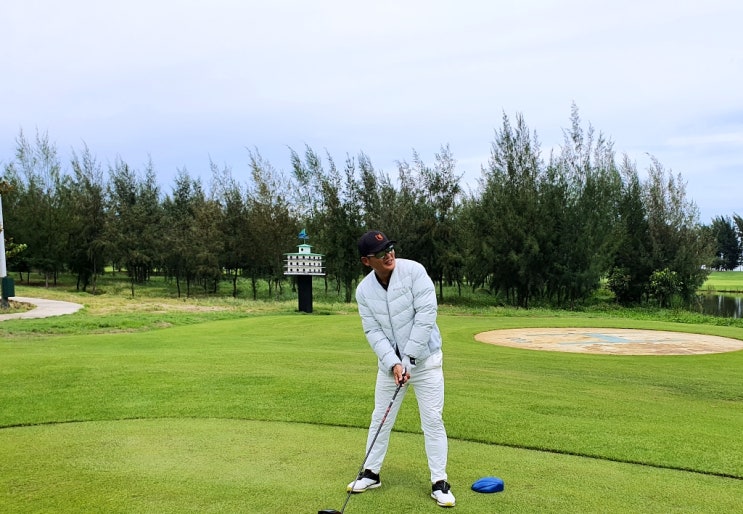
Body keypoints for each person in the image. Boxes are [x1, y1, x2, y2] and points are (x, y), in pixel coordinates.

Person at [348, 229, 455, 508]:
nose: (388, 255)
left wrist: (408, 358)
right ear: (366, 261)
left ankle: (440, 482)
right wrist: (394, 362)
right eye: (380, 253)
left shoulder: (414, 271)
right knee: (380, 418)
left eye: (390, 248)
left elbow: (426, 316)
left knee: (432, 420)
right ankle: (370, 473)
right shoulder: (364, 291)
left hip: (427, 361)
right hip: (391, 367)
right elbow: (373, 331)